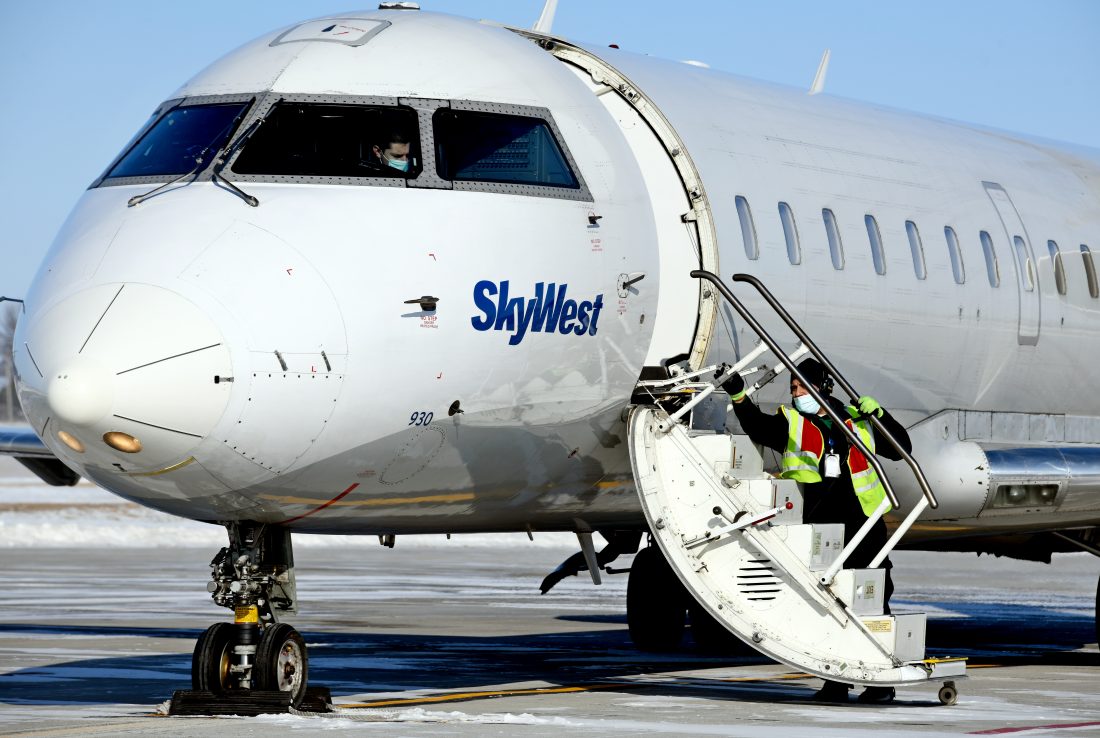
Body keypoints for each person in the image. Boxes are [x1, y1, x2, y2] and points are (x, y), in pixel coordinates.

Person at [721, 357, 911, 704]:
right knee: (828, 601)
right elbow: (758, 427)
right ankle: (835, 681)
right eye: (793, 387)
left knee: (872, 599)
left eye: (801, 387)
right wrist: (738, 396)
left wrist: (881, 416)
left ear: (822, 387)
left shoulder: (858, 419)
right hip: (821, 525)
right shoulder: (792, 421)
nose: (795, 393)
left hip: (864, 522)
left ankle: (880, 681)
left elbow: (902, 449)